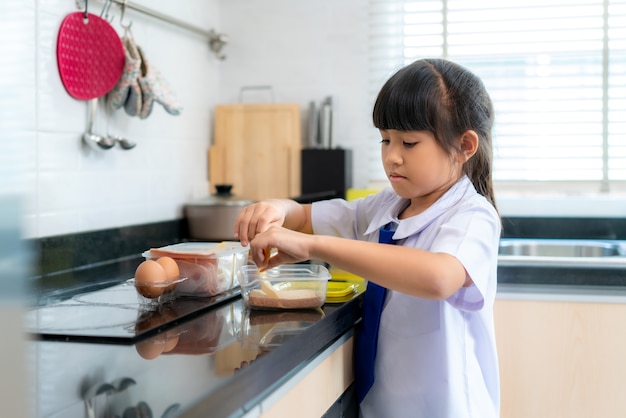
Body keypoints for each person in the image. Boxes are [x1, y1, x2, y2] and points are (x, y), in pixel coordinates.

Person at [234, 58, 501, 418]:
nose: (392, 157)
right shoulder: (388, 205)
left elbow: (438, 277)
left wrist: (313, 247)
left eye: (409, 142)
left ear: (464, 146)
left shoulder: (471, 216)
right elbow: (307, 216)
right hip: (384, 406)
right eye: (386, 139)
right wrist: (276, 208)